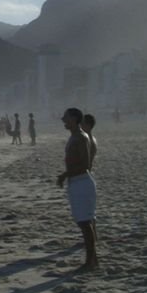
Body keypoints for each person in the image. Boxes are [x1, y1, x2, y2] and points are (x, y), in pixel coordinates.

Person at [56, 108, 98, 270]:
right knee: (84, 222)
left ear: (74, 118)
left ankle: (90, 262)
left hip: (82, 182)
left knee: (85, 223)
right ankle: (93, 259)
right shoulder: (74, 136)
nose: (62, 119)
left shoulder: (80, 137)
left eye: (65, 117)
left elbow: (85, 165)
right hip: (77, 182)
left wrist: (64, 174)